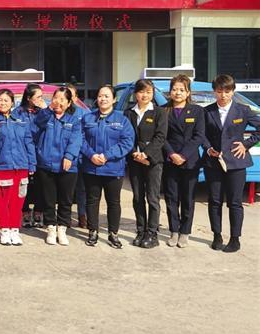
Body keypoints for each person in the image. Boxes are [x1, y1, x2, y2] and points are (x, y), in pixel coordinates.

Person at [202, 74, 260, 253]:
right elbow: (201, 134)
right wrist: (208, 148)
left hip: (236, 162)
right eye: (219, 91)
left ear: (233, 91)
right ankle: (217, 235)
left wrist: (246, 144)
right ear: (214, 92)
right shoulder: (207, 111)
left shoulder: (243, 110)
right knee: (214, 201)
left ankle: (235, 239)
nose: (223, 95)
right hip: (214, 162)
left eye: (227, 91)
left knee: (234, 202)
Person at [79, 85, 135, 249]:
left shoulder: (122, 120)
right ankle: (93, 232)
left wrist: (107, 156)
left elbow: (127, 142)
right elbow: (80, 139)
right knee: (92, 200)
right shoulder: (88, 118)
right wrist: (91, 155)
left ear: (114, 99)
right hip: (91, 167)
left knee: (113, 202)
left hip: (113, 168)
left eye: (106, 96)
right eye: (100, 96)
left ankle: (113, 233)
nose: (103, 99)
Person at [0, 88, 36, 246]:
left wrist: (32, 163)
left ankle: (15, 230)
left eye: (6, 100)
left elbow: (29, 142)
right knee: (2, 201)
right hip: (1, 167)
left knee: (17, 201)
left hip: (21, 166)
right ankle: (4, 230)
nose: (3, 103)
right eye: (0, 100)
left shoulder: (21, 119)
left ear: (12, 103)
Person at [32, 86, 83, 246]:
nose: (58, 102)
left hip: (67, 167)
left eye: (62, 99)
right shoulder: (46, 116)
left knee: (65, 200)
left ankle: (62, 228)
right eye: (55, 98)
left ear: (69, 103)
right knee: (49, 199)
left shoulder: (74, 120)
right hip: (46, 164)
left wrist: (69, 156)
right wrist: (48, 109)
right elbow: (36, 124)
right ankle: (51, 228)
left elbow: (76, 140)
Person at [162, 74, 205, 248]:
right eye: (174, 89)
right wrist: (172, 154)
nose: (177, 93)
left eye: (182, 90)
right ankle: (174, 230)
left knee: (188, 197)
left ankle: (185, 232)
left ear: (188, 93)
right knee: (171, 197)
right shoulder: (163, 110)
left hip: (190, 161)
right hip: (170, 160)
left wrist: (184, 155)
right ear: (170, 92)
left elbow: (199, 136)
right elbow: (161, 136)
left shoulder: (197, 111)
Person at [124, 79, 168, 249]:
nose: (145, 95)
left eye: (149, 92)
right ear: (136, 94)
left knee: (152, 198)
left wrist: (146, 154)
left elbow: (160, 137)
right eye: (142, 92)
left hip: (153, 161)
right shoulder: (129, 113)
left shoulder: (159, 112)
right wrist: (134, 153)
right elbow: (126, 136)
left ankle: (152, 233)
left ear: (153, 94)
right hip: (134, 160)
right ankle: (141, 230)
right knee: (137, 197)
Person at [20, 83, 47, 228]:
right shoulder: (19, 112)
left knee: (41, 185)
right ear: (29, 98)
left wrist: (45, 110)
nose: (41, 100)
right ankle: (25, 212)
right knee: (24, 185)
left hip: (41, 152)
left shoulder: (43, 112)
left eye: (42, 97)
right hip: (24, 153)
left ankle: (38, 212)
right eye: (38, 97)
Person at [66, 83, 88, 229]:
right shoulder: (58, 112)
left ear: (76, 98)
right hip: (65, 157)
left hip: (81, 157)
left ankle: (82, 216)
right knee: (66, 190)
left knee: (82, 189)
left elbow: (88, 135)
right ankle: (65, 217)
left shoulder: (84, 113)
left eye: (71, 96)